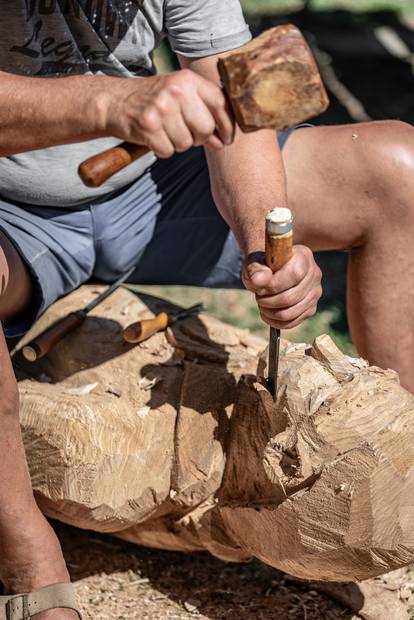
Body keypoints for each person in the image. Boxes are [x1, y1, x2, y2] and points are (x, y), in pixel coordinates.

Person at [0, 2, 413, 618]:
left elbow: (237, 105)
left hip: (149, 189)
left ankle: (400, 467)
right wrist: (113, 104)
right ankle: (28, 556)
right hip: (14, 214)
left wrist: (266, 236)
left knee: (396, 171)